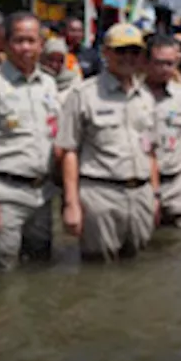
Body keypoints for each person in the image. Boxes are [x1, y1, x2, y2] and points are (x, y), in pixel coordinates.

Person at [56, 23, 160, 261]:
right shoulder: (84, 94)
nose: (128, 58)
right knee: (98, 273)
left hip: (141, 193)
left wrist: (154, 196)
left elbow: (151, 152)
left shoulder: (145, 97)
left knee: (137, 271)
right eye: (121, 51)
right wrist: (71, 204)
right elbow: (68, 151)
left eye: (134, 52)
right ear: (106, 52)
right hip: (100, 195)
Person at [0, 12, 61, 270]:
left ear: (41, 44)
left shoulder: (49, 85)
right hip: (5, 195)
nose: (26, 48)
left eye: (32, 41)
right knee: (2, 270)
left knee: (41, 266)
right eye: (19, 40)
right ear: (6, 44)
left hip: (43, 194)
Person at [145, 34, 181, 229]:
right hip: (141, 183)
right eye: (159, 63)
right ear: (146, 61)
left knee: (179, 240)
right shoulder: (132, 96)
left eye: (170, 64)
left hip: (176, 183)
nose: (165, 70)